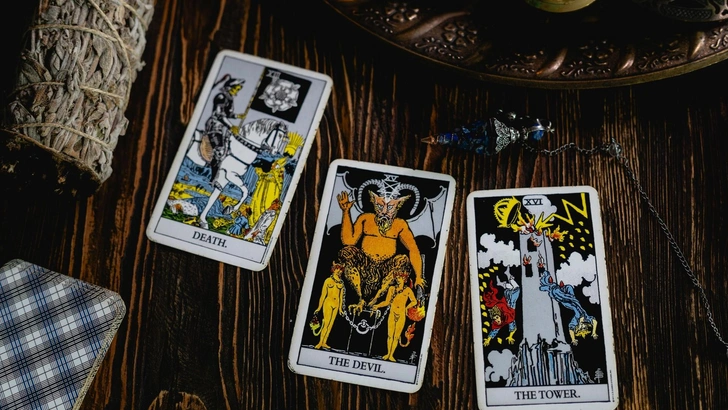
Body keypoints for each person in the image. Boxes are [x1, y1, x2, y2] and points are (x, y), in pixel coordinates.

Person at [204, 75, 246, 180]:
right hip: (214, 126)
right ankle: (211, 178)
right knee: (220, 151)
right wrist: (231, 126)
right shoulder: (221, 97)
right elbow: (219, 115)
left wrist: (237, 116)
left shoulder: (229, 98)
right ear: (229, 87)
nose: (237, 91)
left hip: (222, 127)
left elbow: (228, 114)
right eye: (237, 88)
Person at [371, 271, 417, 362]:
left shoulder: (408, 290)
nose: (398, 280)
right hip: (392, 313)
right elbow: (386, 302)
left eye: (400, 278)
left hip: (401, 314)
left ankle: (391, 355)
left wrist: (406, 307)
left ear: (404, 279)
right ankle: (388, 353)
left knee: (396, 336)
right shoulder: (392, 289)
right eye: (397, 278)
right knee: (390, 335)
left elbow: (414, 301)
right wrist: (377, 305)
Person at [313, 263, 345, 349]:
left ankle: (324, 342)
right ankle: (320, 342)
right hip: (328, 303)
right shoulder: (328, 281)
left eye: (341, 269)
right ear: (334, 270)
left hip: (336, 304)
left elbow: (341, 297)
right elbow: (323, 295)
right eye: (338, 269)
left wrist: (340, 309)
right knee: (326, 323)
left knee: (331, 324)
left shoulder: (341, 283)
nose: (339, 271)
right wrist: (319, 307)